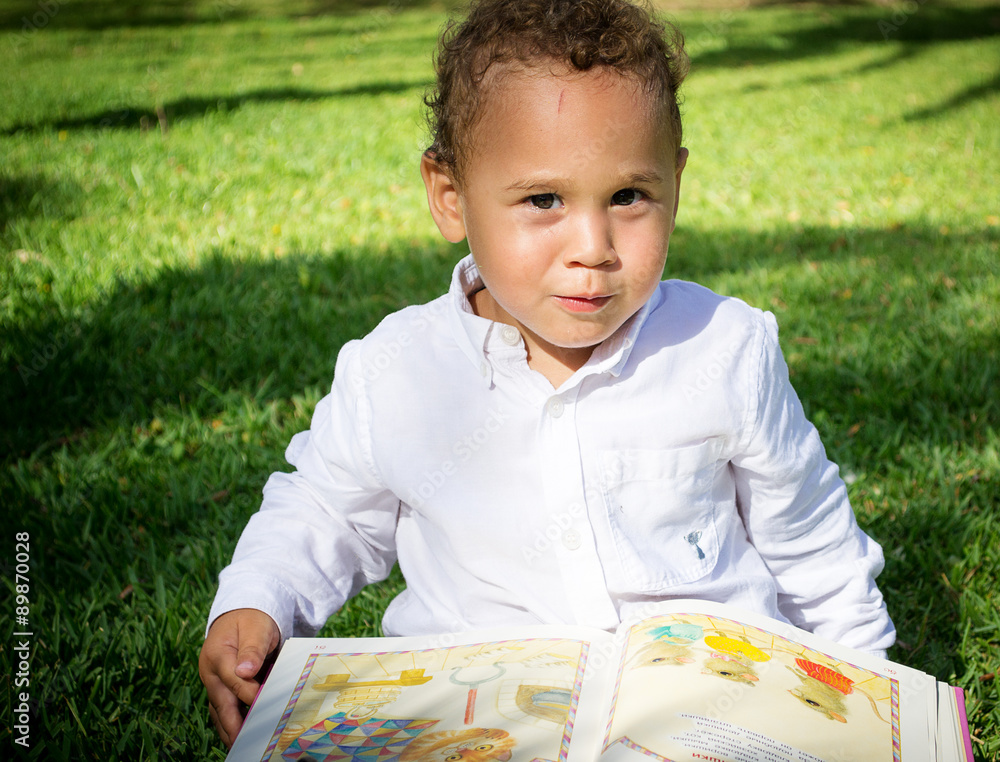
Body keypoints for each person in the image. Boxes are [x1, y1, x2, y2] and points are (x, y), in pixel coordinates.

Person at [198, 0, 895, 746]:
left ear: (675, 183)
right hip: (479, 717)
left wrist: (871, 690)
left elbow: (812, 538)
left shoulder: (721, 348)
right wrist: (256, 601)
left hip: (698, 714)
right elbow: (324, 512)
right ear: (451, 196)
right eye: (543, 200)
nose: (593, 246)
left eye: (629, 196)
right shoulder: (396, 371)